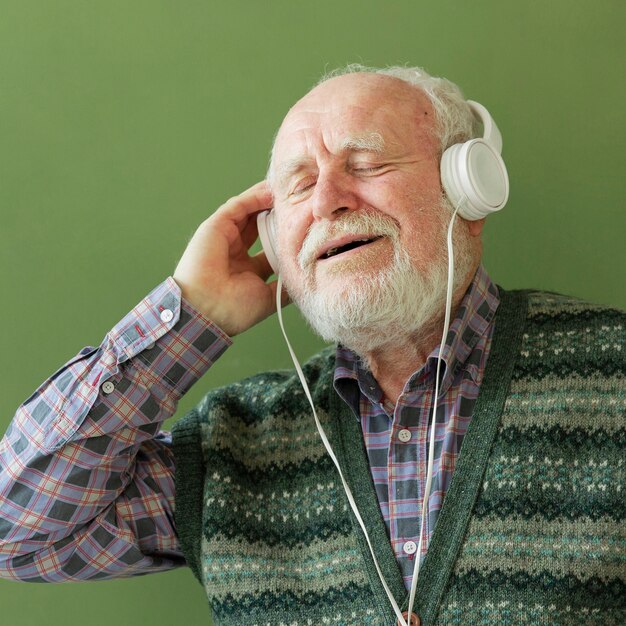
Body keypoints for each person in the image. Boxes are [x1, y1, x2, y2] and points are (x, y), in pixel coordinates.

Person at [0, 65, 624, 626]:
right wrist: (189, 315)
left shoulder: (612, 368)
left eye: (369, 164)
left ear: (470, 188)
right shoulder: (232, 446)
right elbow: (16, 533)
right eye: (298, 186)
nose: (328, 201)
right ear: (275, 243)